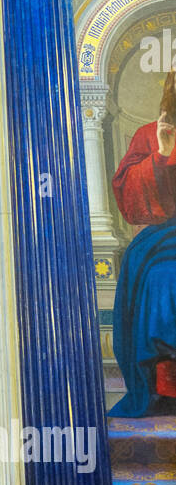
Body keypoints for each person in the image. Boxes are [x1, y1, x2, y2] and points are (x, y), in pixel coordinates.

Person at [109, 67, 176, 416]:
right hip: (163, 238)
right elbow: (128, 195)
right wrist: (161, 156)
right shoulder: (149, 134)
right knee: (164, 281)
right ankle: (165, 390)